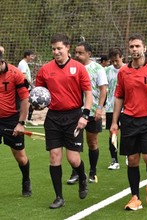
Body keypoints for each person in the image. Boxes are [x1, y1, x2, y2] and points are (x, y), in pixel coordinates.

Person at [110, 33, 147, 211]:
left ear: (144, 47)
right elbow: (119, 97)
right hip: (129, 120)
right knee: (133, 159)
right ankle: (135, 197)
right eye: (131, 47)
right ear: (128, 50)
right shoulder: (123, 72)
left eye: (137, 46)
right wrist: (114, 122)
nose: (134, 49)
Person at [35, 33, 92, 209]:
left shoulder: (79, 68)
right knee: (54, 157)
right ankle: (59, 197)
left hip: (74, 117)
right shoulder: (45, 69)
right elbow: (39, 93)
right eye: (53, 49)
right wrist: (36, 104)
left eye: (59, 48)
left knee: (73, 159)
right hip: (53, 117)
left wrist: (85, 115)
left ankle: (82, 178)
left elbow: (88, 93)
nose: (56, 52)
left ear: (67, 47)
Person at [66, 41, 107, 184]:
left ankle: (92, 172)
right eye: (76, 52)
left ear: (89, 54)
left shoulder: (98, 69)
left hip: (92, 111)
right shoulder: (71, 67)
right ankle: (76, 172)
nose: (77, 55)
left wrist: (100, 108)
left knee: (92, 142)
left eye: (80, 53)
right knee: (73, 143)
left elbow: (103, 89)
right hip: (74, 112)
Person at [0, 50, 32, 197]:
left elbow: (25, 99)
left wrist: (21, 123)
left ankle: (26, 181)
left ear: (2, 62)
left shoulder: (15, 73)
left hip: (12, 119)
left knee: (20, 157)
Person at [105, 47, 125, 170]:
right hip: (111, 107)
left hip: (127, 108)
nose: (115, 63)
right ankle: (114, 160)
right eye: (112, 61)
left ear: (122, 57)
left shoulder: (128, 69)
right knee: (113, 134)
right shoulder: (107, 70)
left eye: (117, 60)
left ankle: (129, 155)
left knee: (127, 133)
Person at [18, 50, 38, 126]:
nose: (32, 58)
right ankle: (22, 120)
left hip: (27, 86)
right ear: (27, 56)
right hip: (24, 86)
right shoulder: (22, 63)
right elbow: (24, 76)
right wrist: (31, 84)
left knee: (30, 102)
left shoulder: (25, 63)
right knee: (24, 103)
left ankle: (28, 119)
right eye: (32, 56)